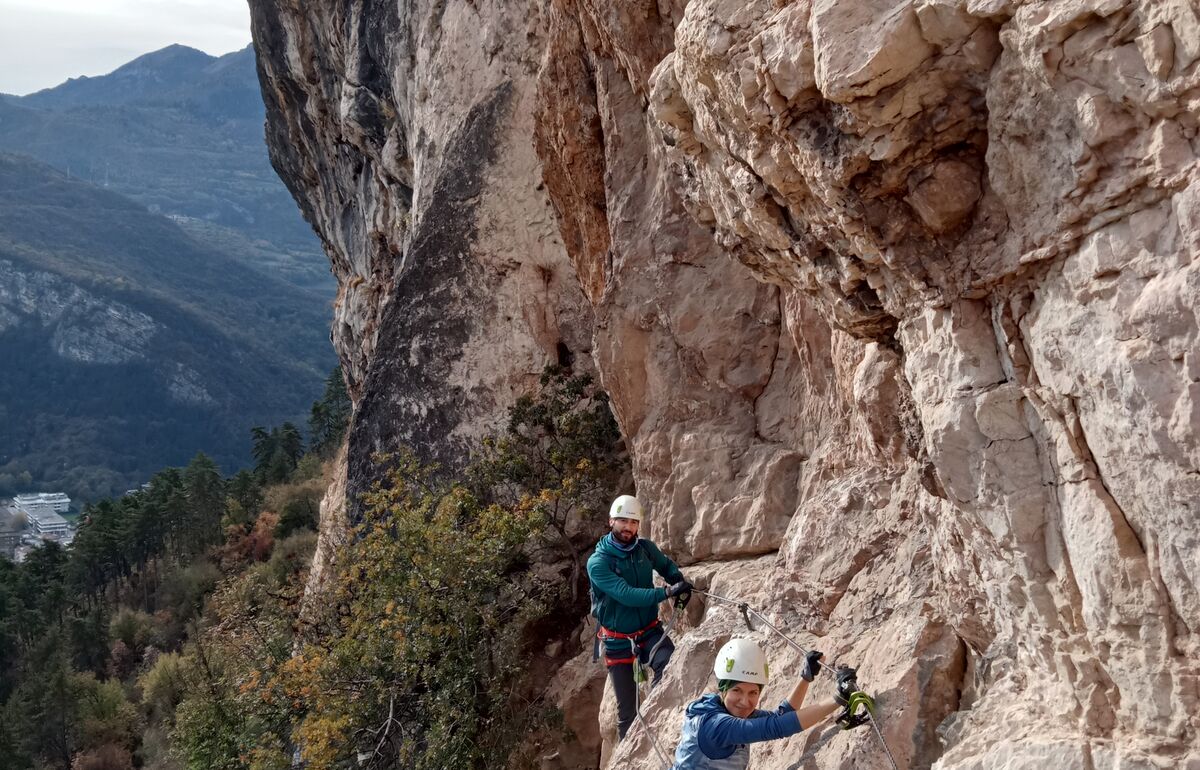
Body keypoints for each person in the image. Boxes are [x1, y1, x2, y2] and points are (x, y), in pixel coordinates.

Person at [671, 639, 872, 769]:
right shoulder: (716, 726)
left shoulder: (734, 714)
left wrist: (806, 678)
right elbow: (776, 727)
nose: (744, 701)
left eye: (753, 693)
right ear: (722, 690)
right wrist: (839, 697)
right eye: (736, 691)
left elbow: (780, 717)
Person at [587, 494, 693, 740]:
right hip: (617, 642)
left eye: (633, 522)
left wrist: (678, 582)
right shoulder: (598, 562)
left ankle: (656, 725)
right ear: (611, 521)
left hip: (648, 631)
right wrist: (667, 592)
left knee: (669, 665)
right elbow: (626, 594)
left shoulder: (644, 549)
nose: (628, 527)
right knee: (627, 714)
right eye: (623, 520)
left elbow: (665, 566)